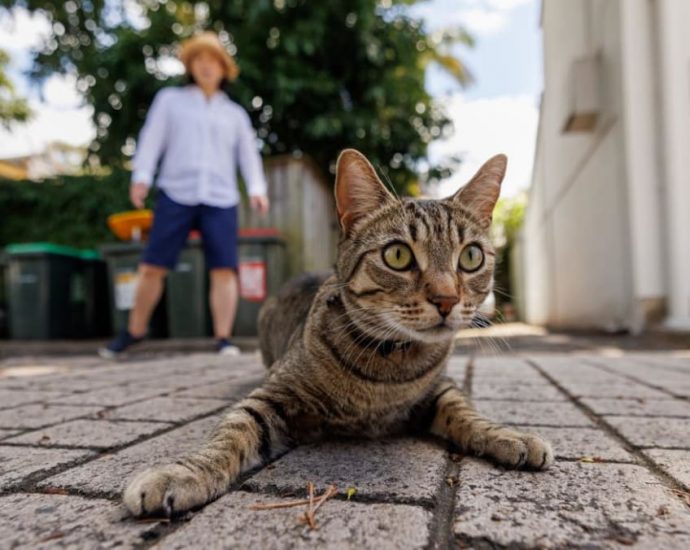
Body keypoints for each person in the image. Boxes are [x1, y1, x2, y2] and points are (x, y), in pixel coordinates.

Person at [100, 32, 269, 358]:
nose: (206, 66)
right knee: (152, 266)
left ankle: (223, 338)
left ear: (223, 68)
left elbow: (249, 156)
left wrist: (258, 189)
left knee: (224, 269)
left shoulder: (234, 114)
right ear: (191, 66)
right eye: (199, 60)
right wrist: (141, 178)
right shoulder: (170, 101)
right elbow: (151, 140)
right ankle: (134, 332)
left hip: (221, 198)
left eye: (212, 61)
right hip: (176, 193)